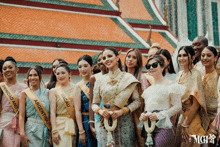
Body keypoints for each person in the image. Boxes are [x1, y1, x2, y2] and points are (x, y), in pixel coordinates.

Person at [92, 47, 141, 146]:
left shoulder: (128, 78)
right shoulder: (100, 80)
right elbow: (94, 104)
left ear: (117, 58)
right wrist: (101, 111)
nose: (107, 60)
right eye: (104, 58)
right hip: (105, 122)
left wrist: (122, 111)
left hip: (125, 122)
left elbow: (137, 101)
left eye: (110, 56)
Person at [140, 55, 183, 147]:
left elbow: (178, 106)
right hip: (148, 126)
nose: (151, 68)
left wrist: (159, 115)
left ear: (163, 67)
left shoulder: (171, 85)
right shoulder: (148, 90)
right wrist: (143, 115)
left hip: (164, 124)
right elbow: (147, 108)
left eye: (154, 65)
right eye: (148, 66)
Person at [175, 46, 209, 147]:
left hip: (192, 117)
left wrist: (186, 123)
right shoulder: (179, 74)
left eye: (185, 55)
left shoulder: (195, 74)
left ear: (193, 57)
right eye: (179, 55)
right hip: (181, 115)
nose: (181, 58)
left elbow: (196, 103)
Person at [124, 48, 150, 146]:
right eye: (128, 56)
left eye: (134, 57)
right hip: (123, 115)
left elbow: (145, 98)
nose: (130, 59)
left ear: (138, 61)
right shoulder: (121, 76)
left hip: (138, 114)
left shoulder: (141, 77)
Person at [19, 65, 50, 147]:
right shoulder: (24, 93)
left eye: (35, 75)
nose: (33, 78)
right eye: (30, 75)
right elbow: (21, 115)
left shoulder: (48, 93)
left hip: (45, 129)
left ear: (41, 77)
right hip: (30, 129)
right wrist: (22, 134)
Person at [0, 57, 27, 147]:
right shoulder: (1, 87)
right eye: (4, 68)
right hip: (4, 125)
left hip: (19, 126)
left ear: (17, 69)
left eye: (10, 67)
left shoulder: (25, 88)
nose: (8, 70)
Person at [49, 63, 76, 147]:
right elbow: (52, 112)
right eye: (58, 74)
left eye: (63, 73)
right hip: (59, 126)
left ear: (69, 74)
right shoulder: (53, 91)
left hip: (73, 125)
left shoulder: (76, 89)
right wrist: (54, 131)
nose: (60, 75)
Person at [74, 55, 97, 147]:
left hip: (100, 120)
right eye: (80, 67)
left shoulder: (98, 81)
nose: (82, 69)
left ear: (92, 67)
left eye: (85, 66)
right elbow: (77, 110)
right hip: (85, 123)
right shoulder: (78, 86)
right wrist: (81, 131)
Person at [88, 52, 108, 146]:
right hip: (99, 114)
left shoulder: (119, 76)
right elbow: (92, 102)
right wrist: (91, 123)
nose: (101, 62)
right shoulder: (93, 78)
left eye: (103, 59)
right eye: (99, 60)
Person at [201, 46, 219, 146]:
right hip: (202, 120)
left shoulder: (217, 76)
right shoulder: (201, 76)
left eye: (208, 55)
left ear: (215, 58)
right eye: (203, 55)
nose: (205, 58)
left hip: (215, 121)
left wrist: (215, 125)